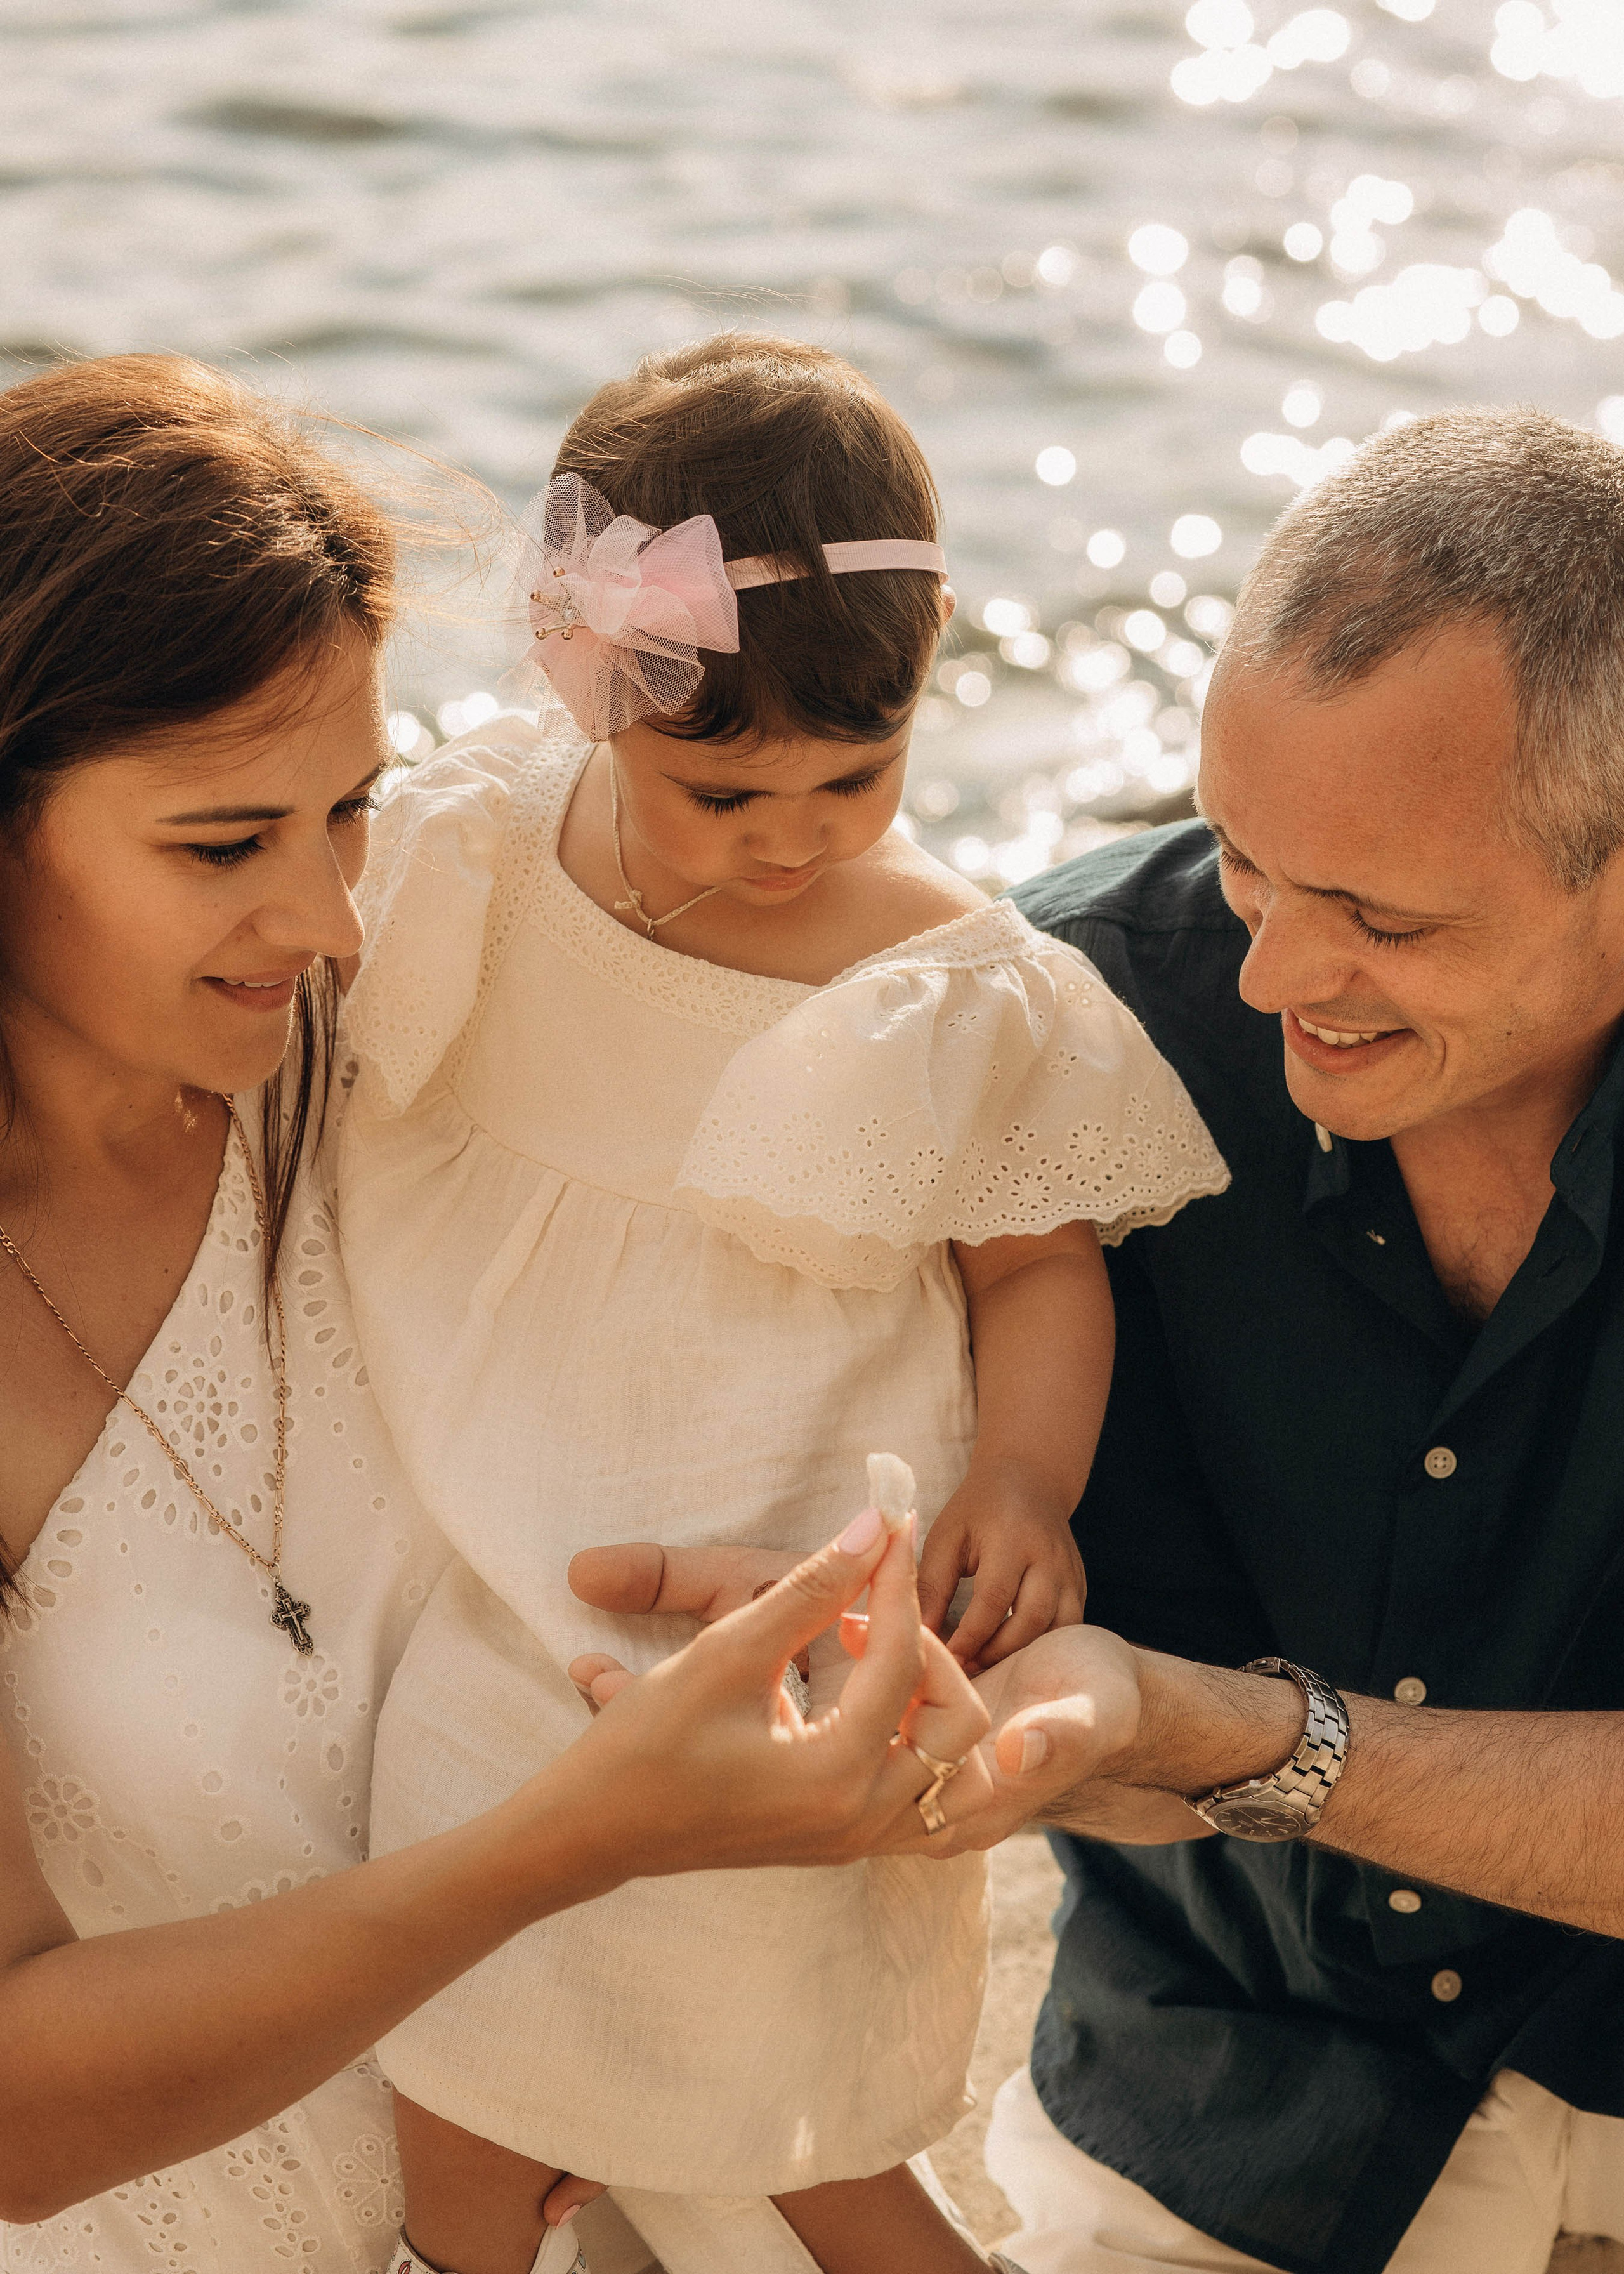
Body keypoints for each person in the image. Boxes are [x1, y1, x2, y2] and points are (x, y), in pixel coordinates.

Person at [0, 352, 990, 2274]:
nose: (331, 922)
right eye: (224, 845)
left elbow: (873, 1071)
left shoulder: (407, 1055)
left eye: (352, 811)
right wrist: (578, 1836)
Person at [334, 334, 1229, 2274]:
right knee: (460, 2064)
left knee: (788, 2102)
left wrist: (1024, 1484)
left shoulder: (936, 975)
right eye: (719, 785)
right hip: (489, 1568)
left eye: (858, 772)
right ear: (585, 679)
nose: (794, 833)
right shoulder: (488, 847)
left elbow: (1037, 1264)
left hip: (775, 1591)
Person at [876, 404, 1624, 2274]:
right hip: (1214, 2137)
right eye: (1244, 859)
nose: (1278, 975)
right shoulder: (1055, 1035)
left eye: (1380, 917)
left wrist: (1241, 1738)